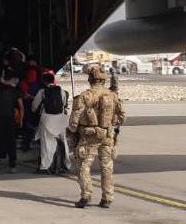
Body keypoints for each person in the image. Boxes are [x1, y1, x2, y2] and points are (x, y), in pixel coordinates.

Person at [67, 65, 125, 208]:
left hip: (89, 137)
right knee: (107, 167)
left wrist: (72, 131)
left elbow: (74, 120)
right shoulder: (112, 95)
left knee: (83, 166)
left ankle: (86, 195)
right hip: (107, 136)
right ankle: (107, 197)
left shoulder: (84, 96)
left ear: (90, 79)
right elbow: (122, 117)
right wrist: (110, 124)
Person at [31, 71, 69, 174]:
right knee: (63, 141)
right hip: (60, 119)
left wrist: (34, 111)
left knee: (46, 144)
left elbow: (34, 106)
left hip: (47, 119)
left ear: (44, 81)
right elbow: (64, 104)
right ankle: (65, 164)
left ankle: (44, 166)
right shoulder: (61, 91)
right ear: (53, 80)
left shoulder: (42, 92)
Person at [0, 70, 22, 174]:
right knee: (11, 142)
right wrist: (21, 120)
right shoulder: (15, 90)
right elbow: (21, 107)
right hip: (10, 119)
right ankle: (12, 166)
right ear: (12, 79)